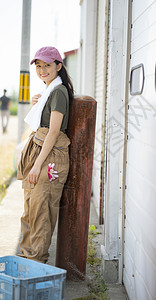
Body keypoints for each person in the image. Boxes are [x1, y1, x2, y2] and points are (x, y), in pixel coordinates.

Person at [17, 46, 74, 263]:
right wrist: (40, 103)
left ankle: (35, 266)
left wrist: (37, 165)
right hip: (40, 153)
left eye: (47, 65)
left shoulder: (58, 92)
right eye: (39, 66)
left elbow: (53, 131)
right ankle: (26, 262)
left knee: (40, 215)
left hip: (48, 158)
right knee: (30, 212)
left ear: (59, 66)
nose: (42, 70)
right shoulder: (50, 90)